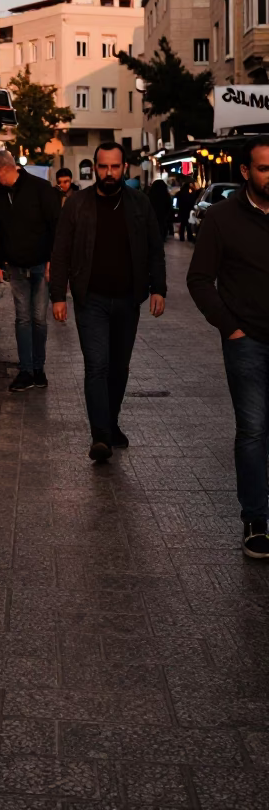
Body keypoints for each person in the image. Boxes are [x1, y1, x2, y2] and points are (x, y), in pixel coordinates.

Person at [50, 142, 166, 462]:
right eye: (103, 167)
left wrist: (160, 288)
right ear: (94, 169)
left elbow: (155, 249)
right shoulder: (77, 204)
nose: (109, 173)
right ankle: (100, 436)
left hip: (129, 300)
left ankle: (111, 422)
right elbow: (61, 252)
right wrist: (58, 295)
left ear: (124, 168)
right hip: (92, 300)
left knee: (119, 368)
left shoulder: (139, 204)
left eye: (115, 167)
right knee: (97, 366)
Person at [187, 138, 269, 559]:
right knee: (254, 430)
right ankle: (256, 518)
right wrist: (231, 328)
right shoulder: (221, 217)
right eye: (263, 168)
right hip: (248, 341)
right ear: (245, 172)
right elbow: (199, 279)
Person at [0, 150, 61, 393]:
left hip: (41, 264)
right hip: (16, 267)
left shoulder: (41, 189)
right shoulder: (1, 196)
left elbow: (55, 225)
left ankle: (38, 369)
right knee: (23, 319)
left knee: (39, 319)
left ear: (7, 169)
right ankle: (26, 370)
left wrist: (53, 260)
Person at [148, 178, 173, 243]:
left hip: (152, 216)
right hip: (162, 216)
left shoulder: (150, 194)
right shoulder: (166, 195)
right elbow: (169, 206)